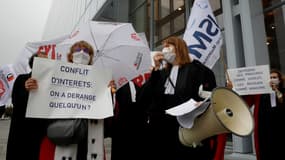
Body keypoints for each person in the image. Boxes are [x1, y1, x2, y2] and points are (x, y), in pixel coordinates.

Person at [136, 36, 218, 160]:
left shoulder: (195, 69)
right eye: (163, 47)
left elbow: (207, 95)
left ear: (179, 48)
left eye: (168, 46)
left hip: (186, 128)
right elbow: (143, 98)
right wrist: (156, 70)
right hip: (163, 130)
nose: (164, 49)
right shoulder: (162, 73)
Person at [37, 40, 116, 160]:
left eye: (86, 51)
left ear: (90, 58)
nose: (82, 53)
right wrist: (34, 88)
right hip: (63, 136)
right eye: (78, 50)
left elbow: (109, 117)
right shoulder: (57, 76)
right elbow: (42, 104)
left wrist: (109, 94)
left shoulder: (100, 80)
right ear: (70, 55)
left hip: (90, 140)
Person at [6, 52, 48, 160]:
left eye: (47, 61)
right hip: (22, 134)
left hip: (41, 134)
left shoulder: (50, 83)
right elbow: (16, 101)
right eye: (41, 61)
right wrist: (26, 90)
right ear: (33, 63)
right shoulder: (21, 79)